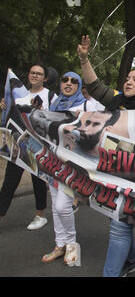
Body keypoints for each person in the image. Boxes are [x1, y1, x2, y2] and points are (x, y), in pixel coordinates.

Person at [78, 35, 135, 277]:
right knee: (116, 219)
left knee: (119, 225)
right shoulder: (118, 101)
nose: (129, 81)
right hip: (111, 171)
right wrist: (84, 59)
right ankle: (131, 261)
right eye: (127, 78)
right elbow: (96, 87)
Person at [41, 71, 97, 267]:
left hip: (74, 164)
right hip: (52, 160)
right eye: (65, 79)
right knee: (55, 205)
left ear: (79, 85)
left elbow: (103, 125)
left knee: (62, 206)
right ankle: (60, 244)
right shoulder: (54, 105)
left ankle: (72, 243)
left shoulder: (87, 105)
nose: (68, 83)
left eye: (74, 81)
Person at [0, 63, 57, 230]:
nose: (34, 75)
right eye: (32, 72)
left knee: (38, 181)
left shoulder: (51, 96)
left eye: (39, 73)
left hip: (39, 146)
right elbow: (10, 115)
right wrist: (4, 105)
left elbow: (57, 118)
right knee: (10, 181)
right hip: (18, 145)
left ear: (45, 78)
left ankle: (40, 215)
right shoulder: (19, 94)